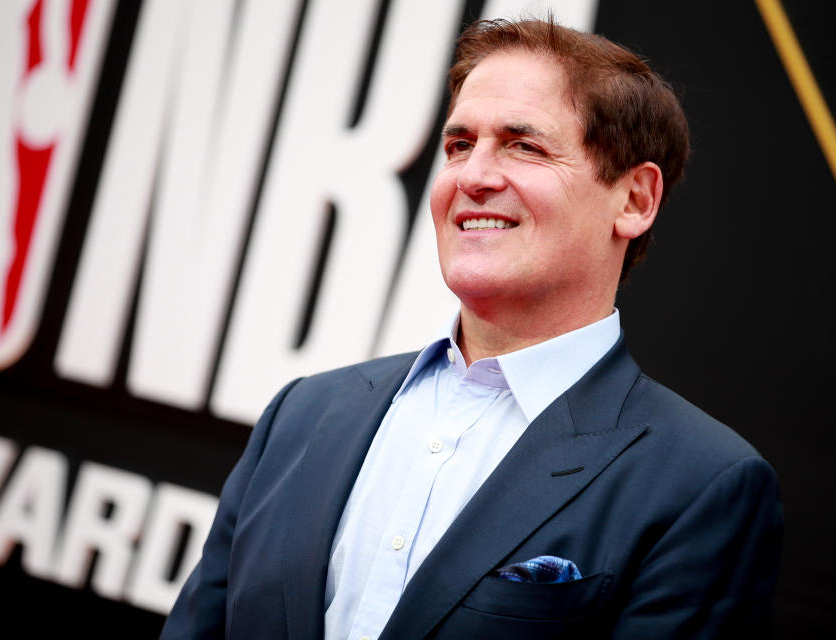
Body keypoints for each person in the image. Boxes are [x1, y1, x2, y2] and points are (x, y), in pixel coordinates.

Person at [161, 17, 783, 639]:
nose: (472, 177)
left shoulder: (703, 486)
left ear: (635, 200)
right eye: (459, 146)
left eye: (524, 145)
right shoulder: (303, 413)